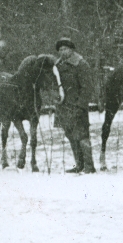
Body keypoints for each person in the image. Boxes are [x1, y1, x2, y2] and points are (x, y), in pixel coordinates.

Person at [54, 37, 96, 174]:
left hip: (77, 107)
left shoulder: (80, 64)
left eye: (65, 49)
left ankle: (89, 167)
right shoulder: (57, 66)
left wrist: (81, 106)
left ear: (72, 50)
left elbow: (87, 87)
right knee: (71, 136)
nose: (62, 52)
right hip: (63, 107)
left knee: (82, 136)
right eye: (60, 49)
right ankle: (79, 164)